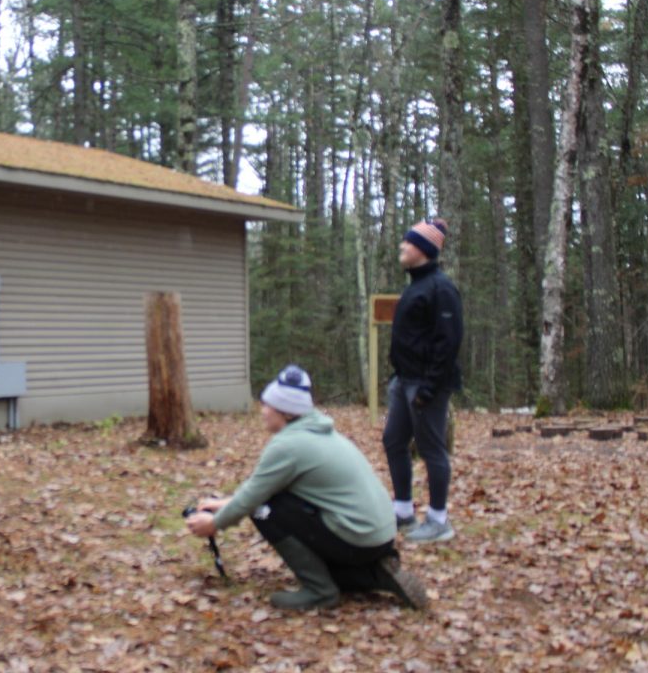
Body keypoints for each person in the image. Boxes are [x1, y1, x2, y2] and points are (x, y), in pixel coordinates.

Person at [185, 365, 428, 611]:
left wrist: (213, 524)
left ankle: (320, 591)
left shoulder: (289, 445)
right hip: (380, 536)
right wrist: (222, 504)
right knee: (275, 502)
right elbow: (261, 488)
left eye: (268, 405)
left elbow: (255, 498)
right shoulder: (321, 433)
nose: (263, 411)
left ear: (287, 413)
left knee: (265, 509)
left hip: (357, 537)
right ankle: (376, 574)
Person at [382, 218, 464, 543]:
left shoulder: (442, 289)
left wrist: (429, 387)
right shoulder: (415, 286)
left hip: (427, 385)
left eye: (408, 242)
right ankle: (403, 511)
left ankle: (438, 520)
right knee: (393, 441)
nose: (402, 247)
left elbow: (449, 342)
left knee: (432, 449)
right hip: (403, 382)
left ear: (424, 250)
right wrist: (398, 378)